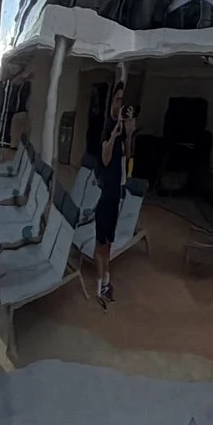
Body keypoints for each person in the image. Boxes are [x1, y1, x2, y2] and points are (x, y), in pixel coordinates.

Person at [94, 90, 132, 308]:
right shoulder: (108, 127)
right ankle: (99, 286)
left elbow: (128, 156)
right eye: (118, 99)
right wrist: (114, 136)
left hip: (115, 195)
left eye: (123, 101)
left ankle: (106, 283)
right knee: (100, 244)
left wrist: (129, 132)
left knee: (108, 243)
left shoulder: (122, 128)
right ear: (111, 102)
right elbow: (105, 159)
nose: (120, 104)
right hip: (104, 194)